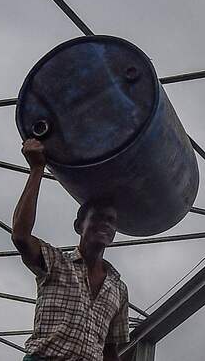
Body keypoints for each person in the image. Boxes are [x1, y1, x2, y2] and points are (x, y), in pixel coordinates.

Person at [12, 137, 129, 361]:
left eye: (111, 221)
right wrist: (37, 169)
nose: (106, 224)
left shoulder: (118, 289)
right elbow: (20, 236)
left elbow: (109, 350)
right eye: (98, 217)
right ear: (79, 226)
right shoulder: (56, 263)